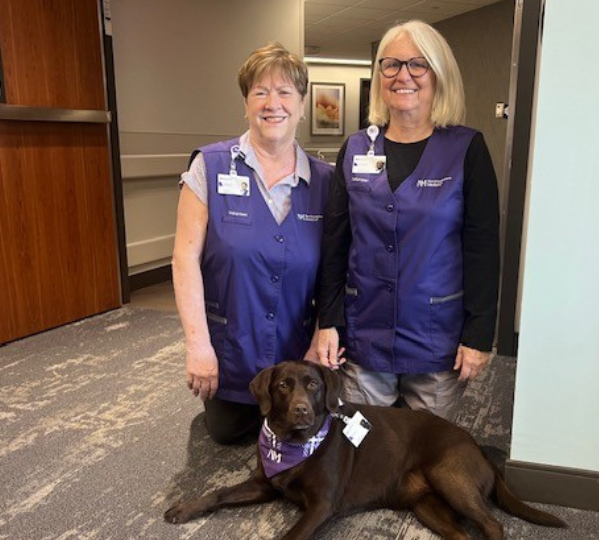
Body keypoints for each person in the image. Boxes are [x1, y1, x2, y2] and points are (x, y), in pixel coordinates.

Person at [315, 21, 500, 422]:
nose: (403, 76)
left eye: (418, 65)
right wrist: (327, 321)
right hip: (364, 332)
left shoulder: (467, 149)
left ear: (439, 74)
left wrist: (479, 335)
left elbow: (483, 248)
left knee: (429, 451)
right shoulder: (355, 148)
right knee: (360, 444)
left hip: (436, 334)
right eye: (392, 64)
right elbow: (335, 243)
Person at [173, 43, 333, 444]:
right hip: (232, 350)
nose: (272, 104)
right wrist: (198, 346)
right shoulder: (208, 167)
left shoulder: (327, 182)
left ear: (301, 104)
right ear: (245, 103)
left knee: (306, 432)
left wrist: (318, 343)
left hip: (297, 358)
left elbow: (336, 271)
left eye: (284, 93)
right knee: (228, 434)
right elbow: (184, 258)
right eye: (260, 92)